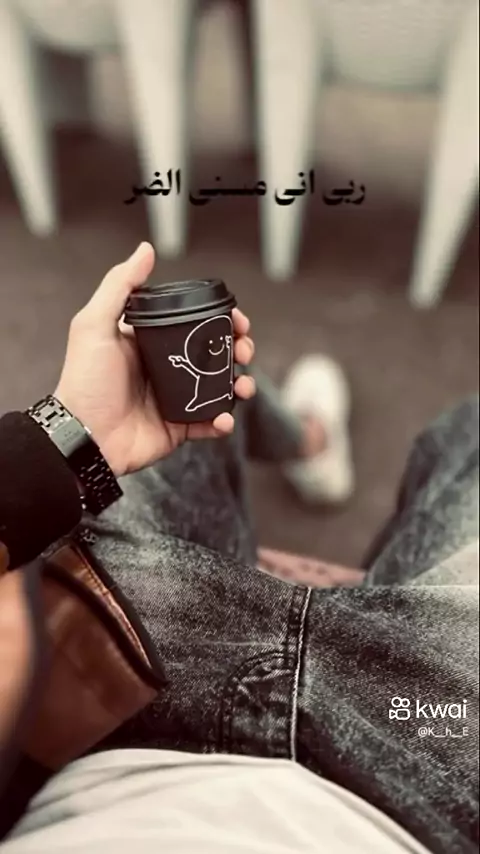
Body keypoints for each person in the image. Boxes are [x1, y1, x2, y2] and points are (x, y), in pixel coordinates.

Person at [0, 243, 478, 854]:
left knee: (184, 396)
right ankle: (329, 477)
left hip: (110, 690)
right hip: (431, 740)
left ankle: (307, 443)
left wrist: (70, 442)